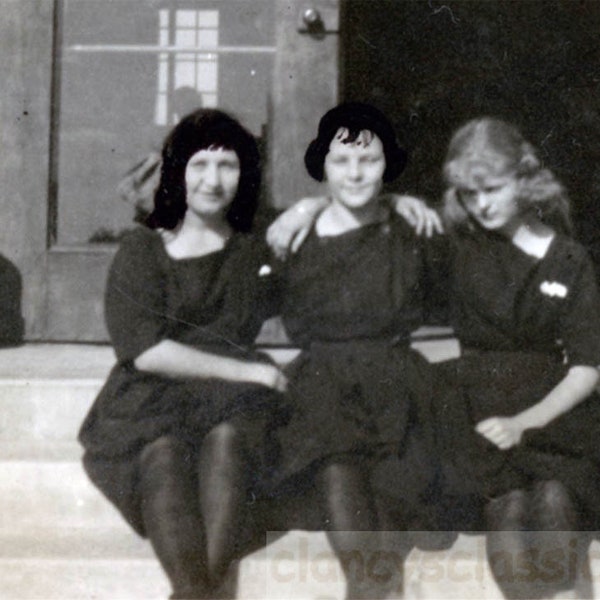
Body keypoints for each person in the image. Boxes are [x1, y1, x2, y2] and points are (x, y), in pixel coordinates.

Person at [78, 108, 288, 600]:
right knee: (163, 453)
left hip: (232, 405)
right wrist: (249, 372)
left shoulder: (255, 248)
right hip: (153, 398)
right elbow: (146, 351)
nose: (213, 181)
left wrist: (317, 210)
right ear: (176, 172)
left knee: (228, 444)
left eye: (228, 166)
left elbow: (335, 223)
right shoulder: (144, 249)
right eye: (199, 165)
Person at [268, 102, 442, 599]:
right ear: (322, 165)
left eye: (369, 160)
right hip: (322, 387)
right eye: (341, 161)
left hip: (395, 384)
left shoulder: (410, 229)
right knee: (338, 470)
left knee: (392, 496)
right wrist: (307, 206)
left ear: (388, 165)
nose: (355, 172)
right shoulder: (294, 234)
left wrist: (404, 202)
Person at [431, 117, 600, 600]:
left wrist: (526, 422)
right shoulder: (457, 248)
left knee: (554, 502)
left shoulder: (568, 259)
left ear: (523, 181)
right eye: (468, 193)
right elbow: (372, 220)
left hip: (555, 421)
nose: (481, 204)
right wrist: (306, 210)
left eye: (492, 189)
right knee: (506, 517)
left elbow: (588, 365)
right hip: (480, 420)